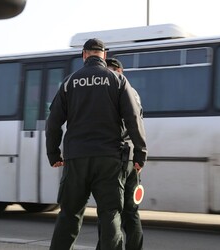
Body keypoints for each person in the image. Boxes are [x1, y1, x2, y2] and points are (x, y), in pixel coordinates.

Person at [46, 38, 147, 250]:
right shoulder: (118, 81)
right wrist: (140, 152)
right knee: (110, 213)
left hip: (76, 159)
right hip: (109, 159)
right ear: (104, 54)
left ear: (84, 55)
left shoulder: (69, 82)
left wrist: (53, 154)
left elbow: (53, 122)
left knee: (69, 215)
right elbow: (133, 118)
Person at [96, 58, 144, 250]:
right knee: (131, 212)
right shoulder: (134, 93)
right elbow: (137, 124)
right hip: (132, 158)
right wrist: (141, 154)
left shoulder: (110, 92)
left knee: (108, 210)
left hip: (115, 157)